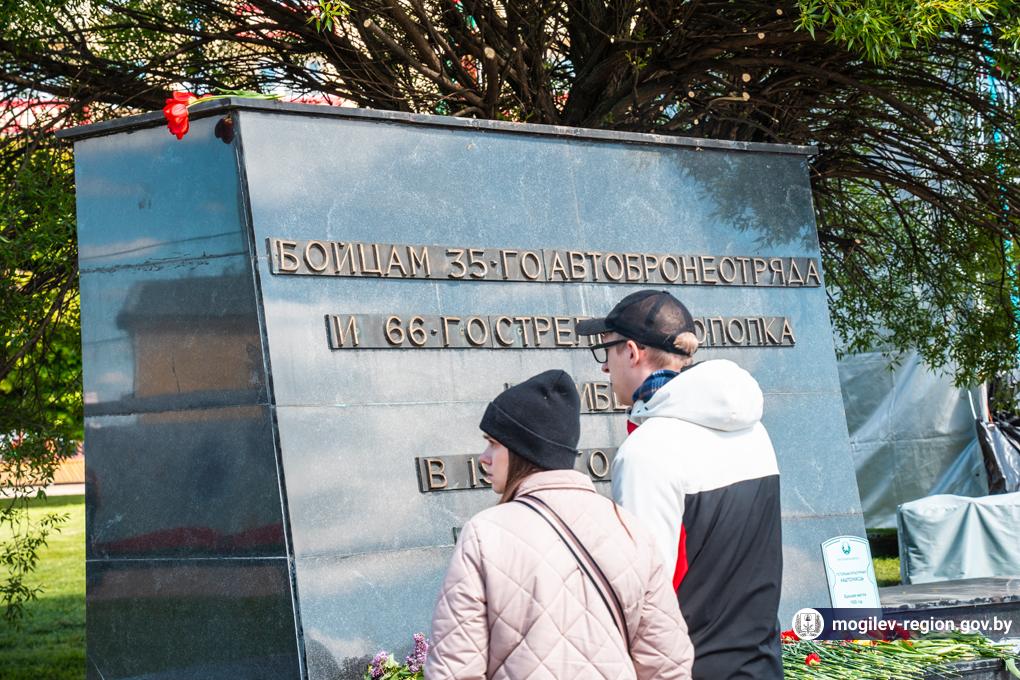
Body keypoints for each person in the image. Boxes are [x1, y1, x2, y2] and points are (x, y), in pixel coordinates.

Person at [426, 369, 694, 680]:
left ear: (522, 450)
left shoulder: (485, 534)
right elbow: (667, 665)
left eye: (494, 444)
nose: (484, 457)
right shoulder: (630, 530)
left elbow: (455, 669)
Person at [576, 290, 783, 680]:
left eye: (606, 351)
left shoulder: (647, 452)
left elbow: (645, 598)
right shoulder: (754, 433)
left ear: (632, 352)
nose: (604, 367)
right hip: (762, 666)